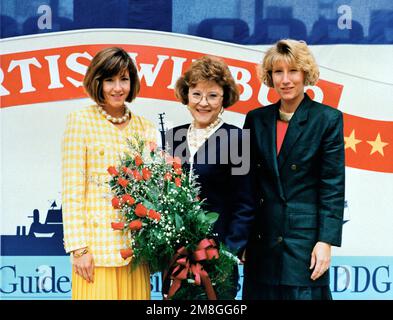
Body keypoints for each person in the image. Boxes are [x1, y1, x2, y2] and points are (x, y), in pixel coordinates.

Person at [242, 39, 345, 300]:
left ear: (305, 74)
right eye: (278, 72)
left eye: (293, 71)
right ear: (270, 77)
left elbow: (332, 186)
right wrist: (241, 238)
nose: (285, 80)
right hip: (262, 243)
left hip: (305, 246)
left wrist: (326, 242)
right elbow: (246, 184)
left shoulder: (328, 119)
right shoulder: (255, 119)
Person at [61, 47, 157, 300]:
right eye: (110, 80)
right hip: (96, 252)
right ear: (97, 82)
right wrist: (79, 249)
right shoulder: (80, 121)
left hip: (135, 253)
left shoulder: (144, 127)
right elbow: (72, 189)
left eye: (124, 79)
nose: (117, 88)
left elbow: (152, 192)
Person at [165, 55, 256, 299]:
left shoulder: (238, 140)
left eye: (212, 95)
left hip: (218, 262)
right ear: (186, 95)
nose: (203, 103)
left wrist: (228, 252)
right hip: (177, 260)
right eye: (196, 94)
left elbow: (245, 203)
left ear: (224, 98)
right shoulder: (172, 138)